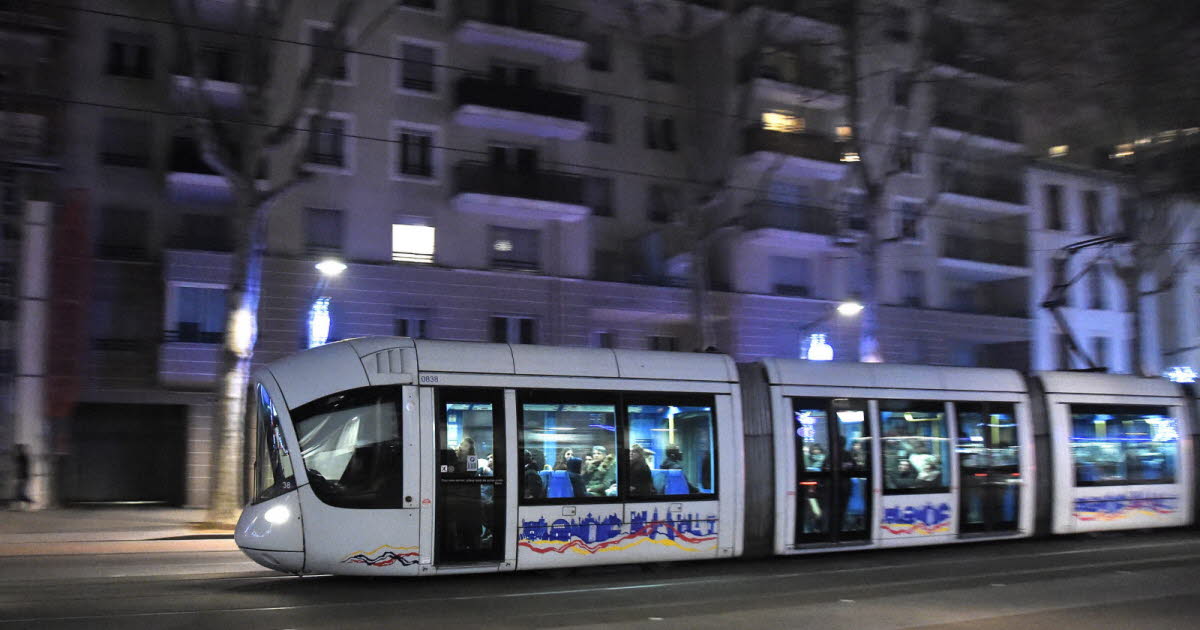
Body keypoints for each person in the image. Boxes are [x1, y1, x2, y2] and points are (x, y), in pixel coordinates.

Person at [13, 444, 30, 509]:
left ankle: (28, 502)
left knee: (20, 491)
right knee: (20, 491)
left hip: (23, 476)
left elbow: (21, 467)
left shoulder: (22, 457)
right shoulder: (23, 457)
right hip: (23, 476)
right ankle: (24, 504)